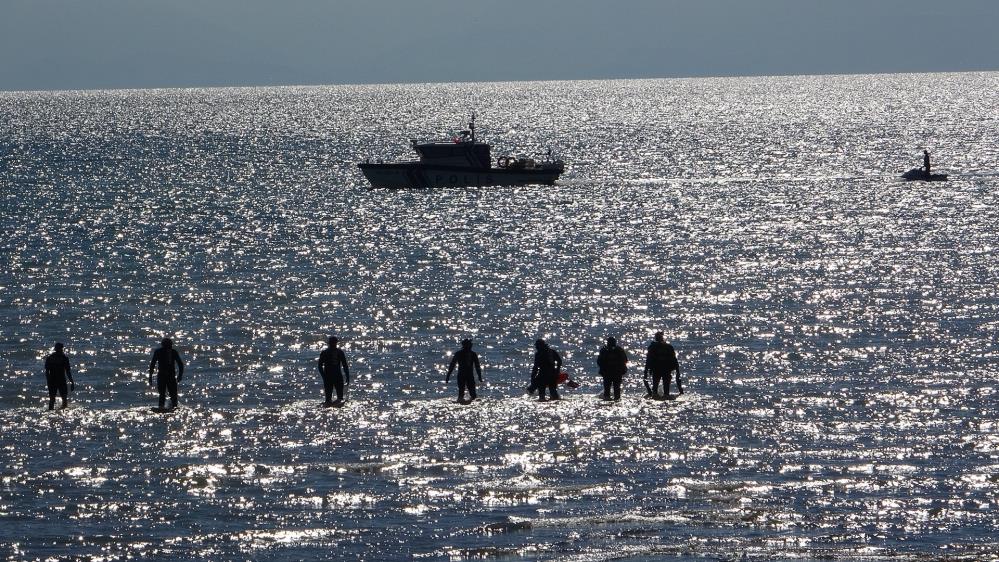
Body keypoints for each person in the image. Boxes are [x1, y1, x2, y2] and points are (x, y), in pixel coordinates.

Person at [149, 338, 185, 410]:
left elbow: (180, 365)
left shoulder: (173, 352)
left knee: (172, 394)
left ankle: (170, 407)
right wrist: (150, 377)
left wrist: (180, 376)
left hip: (169, 376)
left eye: (170, 345)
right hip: (163, 376)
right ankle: (163, 408)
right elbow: (152, 364)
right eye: (169, 345)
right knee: (163, 394)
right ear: (164, 345)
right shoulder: (159, 352)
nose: (170, 346)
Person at [644, 331, 683, 397]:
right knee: (666, 390)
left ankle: (655, 395)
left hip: (656, 370)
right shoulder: (669, 347)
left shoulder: (652, 347)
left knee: (655, 389)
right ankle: (665, 396)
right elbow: (674, 360)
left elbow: (648, 360)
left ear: (656, 338)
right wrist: (677, 371)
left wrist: (646, 371)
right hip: (666, 370)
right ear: (662, 338)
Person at [317, 336, 350, 405]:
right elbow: (345, 366)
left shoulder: (325, 352)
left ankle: (328, 410)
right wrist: (347, 376)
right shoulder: (339, 352)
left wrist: (324, 376)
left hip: (330, 376)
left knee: (329, 400)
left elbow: (320, 366)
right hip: (336, 376)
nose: (333, 344)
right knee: (339, 399)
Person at [44, 342, 74, 410]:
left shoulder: (50, 358)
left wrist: (48, 381)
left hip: (53, 380)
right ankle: (62, 413)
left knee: (52, 399)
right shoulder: (64, 358)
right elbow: (68, 371)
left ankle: (51, 413)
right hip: (60, 380)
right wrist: (72, 382)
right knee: (63, 399)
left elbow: (46, 372)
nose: (61, 350)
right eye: (61, 349)